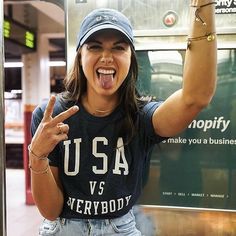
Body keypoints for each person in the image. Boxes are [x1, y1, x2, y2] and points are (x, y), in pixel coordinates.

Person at [29, 2, 217, 235]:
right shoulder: (52, 117)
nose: (107, 57)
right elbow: (50, 210)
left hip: (120, 228)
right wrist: (37, 157)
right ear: (80, 56)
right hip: (64, 228)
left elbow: (196, 97)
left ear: (131, 58)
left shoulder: (143, 117)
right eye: (95, 47)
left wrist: (204, 5)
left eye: (119, 48)